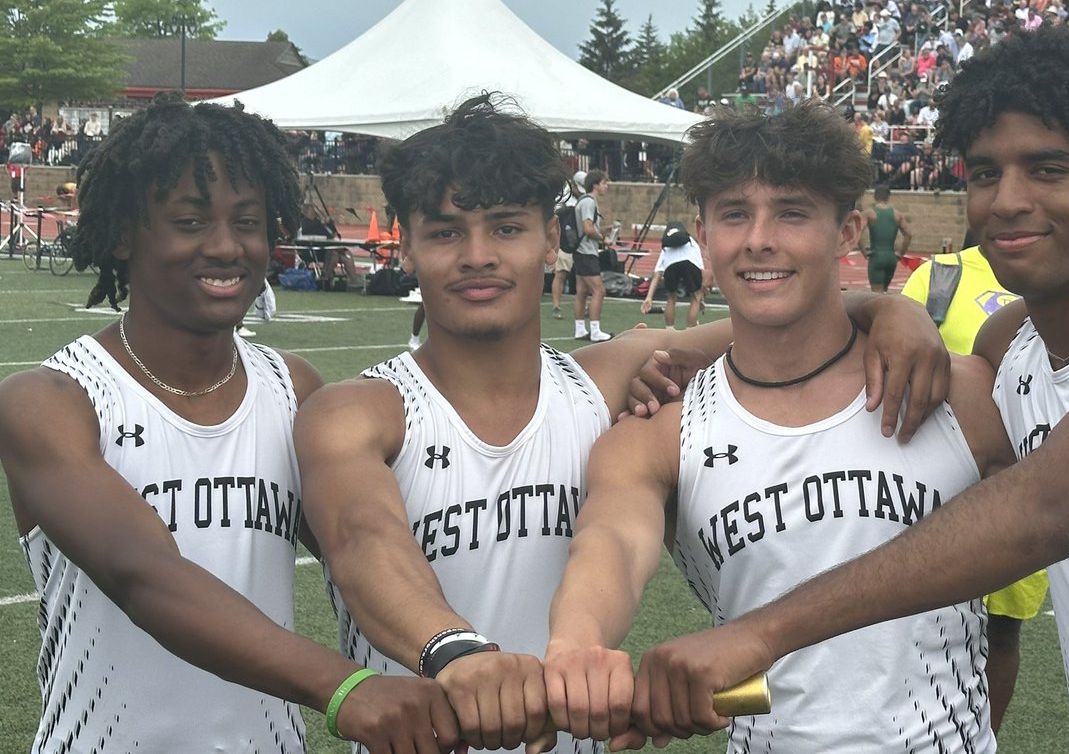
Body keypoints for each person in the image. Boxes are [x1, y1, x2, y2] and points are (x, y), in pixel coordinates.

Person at [291, 93, 950, 754]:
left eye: (506, 227)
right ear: (403, 245)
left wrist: (894, 314)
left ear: (553, 238)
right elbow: (360, 539)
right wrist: (456, 653)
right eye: (444, 232)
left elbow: (784, 304)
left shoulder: (601, 381)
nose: (478, 254)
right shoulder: (355, 410)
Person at [621, 26, 1069, 753]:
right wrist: (878, 306)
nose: (1008, 200)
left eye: (1047, 169)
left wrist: (761, 633)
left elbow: (1046, 508)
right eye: (986, 173)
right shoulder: (1008, 350)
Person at [541, 101, 1011, 753]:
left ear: (846, 231)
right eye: (735, 214)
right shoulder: (659, 430)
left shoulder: (958, 393)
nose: (760, 238)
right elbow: (611, 544)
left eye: (791, 212)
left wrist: (895, 313)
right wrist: (575, 643)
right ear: (704, 235)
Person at [0, 95, 458, 752]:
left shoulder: (294, 389)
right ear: (126, 232)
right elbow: (143, 573)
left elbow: (368, 544)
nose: (225, 246)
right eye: (190, 221)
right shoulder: (51, 399)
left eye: (247, 222)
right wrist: (346, 687)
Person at [900, 246, 1048, 730]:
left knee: (1002, 634)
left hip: (1027, 485)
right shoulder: (942, 273)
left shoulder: (1061, 276)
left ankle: (985, 737)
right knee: (911, 623)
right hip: (935, 485)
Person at [638, 222, 707, 328]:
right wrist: (701, 297)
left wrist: (649, 298)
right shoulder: (692, 242)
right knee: (695, 298)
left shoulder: (666, 246)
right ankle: (691, 330)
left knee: (671, 298)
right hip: (690, 264)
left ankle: (669, 329)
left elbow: (657, 274)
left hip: (671, 266)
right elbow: (701, 269)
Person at [573, 169, 612, 342]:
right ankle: (595, 330)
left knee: (581, 291)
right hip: (586, 251)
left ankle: (580, 329)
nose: (606, 186)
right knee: (599, 290)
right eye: (604, 183)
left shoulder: (582, 201)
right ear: (595, 185)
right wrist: (602, 238)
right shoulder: (589, 202)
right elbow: (588, 228)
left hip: (580, 251)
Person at [860, 184, 913, 291]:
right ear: (888, 197)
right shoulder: (897, 214)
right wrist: (901, 253)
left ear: (875, 196)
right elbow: (908, 234)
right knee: (885, 291)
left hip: (877, 257)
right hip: (891, 258)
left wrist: (864, 251)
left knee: (876, 295)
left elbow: (858, 231)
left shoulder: (870, 213)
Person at [297, 202, 360, 289]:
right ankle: (325, 279)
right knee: (333, 255)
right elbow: (306, 229)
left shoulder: (318, 222)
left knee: (347, 254)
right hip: (315, 251)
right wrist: (321, 223)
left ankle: (354, 281)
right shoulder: (304, 223)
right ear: (306, 212)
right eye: (311, 211)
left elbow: (331, 234)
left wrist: (329, 223)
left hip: (328, 248)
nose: (314, 212)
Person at [551, 170, 586, 319]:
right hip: (565, 242)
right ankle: (556, 306)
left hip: (579, 243)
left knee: (582, 278)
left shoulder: (583, 199)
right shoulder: (565, 198)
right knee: (561, 274)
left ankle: (582, 308)